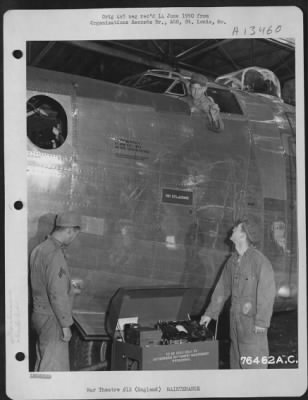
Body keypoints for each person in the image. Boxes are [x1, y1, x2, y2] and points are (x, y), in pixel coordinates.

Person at [200, 217, 276, 369]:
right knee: (236, 364)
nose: (232, 230)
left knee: (254, 367)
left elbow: (267, 292)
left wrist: (262, 322)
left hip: (252, 324)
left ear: (243, 235)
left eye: (236, 228)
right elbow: (222, 288)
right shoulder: (232, 261)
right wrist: (210, 313)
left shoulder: (259, 261)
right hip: (235, 322)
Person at [30, 211, 81, 371]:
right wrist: (65, 325)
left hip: (39, 314)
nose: (73, 239)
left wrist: (69, 290)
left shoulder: (39, 249)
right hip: (53, 318)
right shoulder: (54, 254)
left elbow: (44, 283)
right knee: (54, 370)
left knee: (43, 362)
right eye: (74, 235)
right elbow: (56, 294)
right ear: (69, 231)